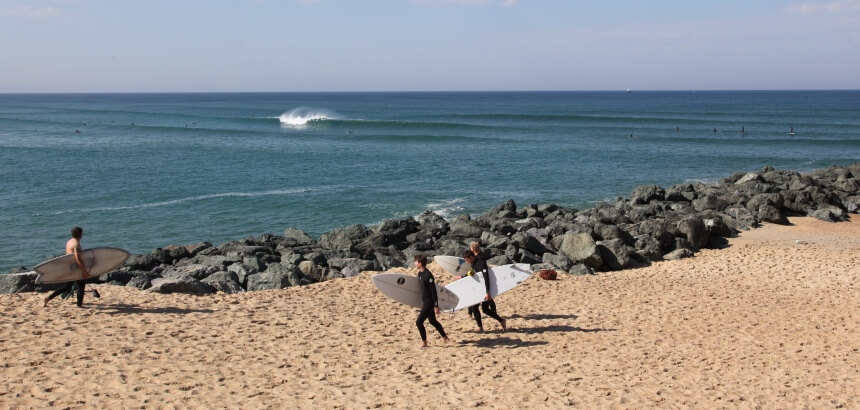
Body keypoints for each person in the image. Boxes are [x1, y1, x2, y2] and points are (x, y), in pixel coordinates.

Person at [43, 227, 90, 308]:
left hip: (69, 267)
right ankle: (79, 305)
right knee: (81, 286)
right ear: (80, 234)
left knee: (67, 286)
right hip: (75, 268)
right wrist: (84, 271)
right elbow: (77, 259)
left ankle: (49, 298)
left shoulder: (69, 242)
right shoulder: (76, 244)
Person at [463, 245, 506, 332]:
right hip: (479, 289)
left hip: (485, 289)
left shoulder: (481, 263)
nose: (467, 261)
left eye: (467, 259)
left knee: (485, 309)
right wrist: (465, 275)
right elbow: (474, 273)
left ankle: (501, 320)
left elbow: (486, 278)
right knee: (476, 308)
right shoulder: (473, 263)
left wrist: (488, 292)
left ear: (471, 257)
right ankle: (481, 327)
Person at [414, 254, 448, 348]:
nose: (414, 263)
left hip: (429, 302)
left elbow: (434, 292)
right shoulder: (420, 273)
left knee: (419, 322)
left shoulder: (428, 275)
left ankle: (424, 342)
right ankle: (445, 337)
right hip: (424, 300)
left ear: (420, 263)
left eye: (416, 262)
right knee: (432, 321)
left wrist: (436, 306)